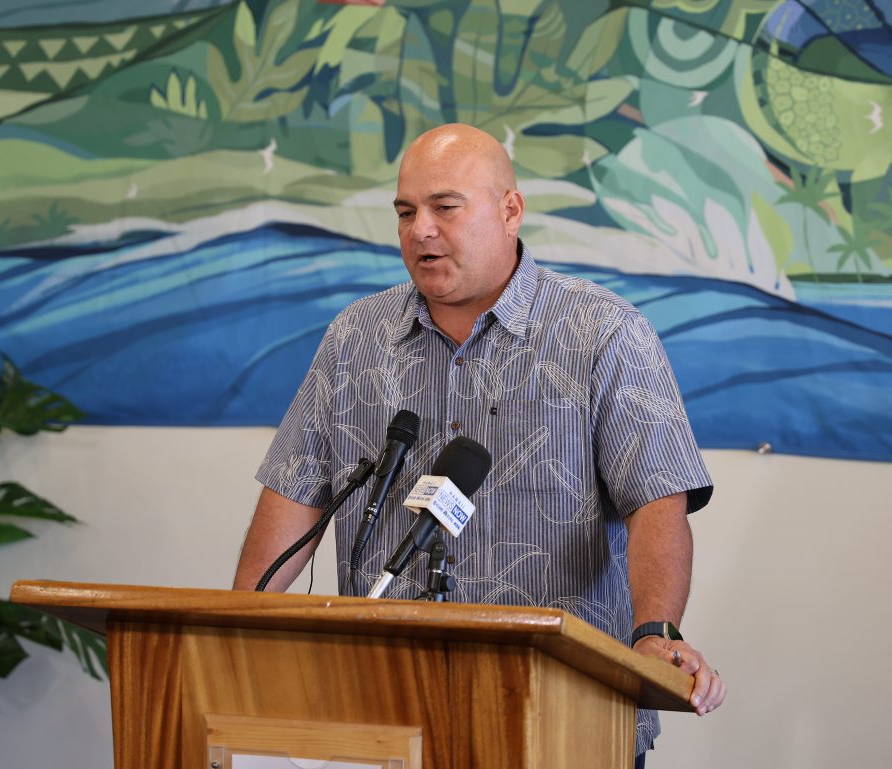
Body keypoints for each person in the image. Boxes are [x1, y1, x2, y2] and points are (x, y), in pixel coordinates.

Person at [233, 123, 727, 757]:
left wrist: (654, 634)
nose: (421, 230)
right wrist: (234, 631)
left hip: (562, 720)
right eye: (406, 212)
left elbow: (657, 503)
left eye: (445, 207)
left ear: (510, 210)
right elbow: (293, 495)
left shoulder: (602, 333)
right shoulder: (355, 338)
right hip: (392, 715)